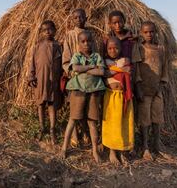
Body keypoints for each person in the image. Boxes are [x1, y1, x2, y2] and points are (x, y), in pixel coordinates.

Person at [61, 30, 106, 163]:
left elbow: (101, 71)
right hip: (78, 91)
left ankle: (94, 150)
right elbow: (75, 68)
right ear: (79, 43)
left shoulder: (97, 56)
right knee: (73, 119)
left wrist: (85, 67)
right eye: (83, 41)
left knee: (92, 121)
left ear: (92, 42)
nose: (86, 44)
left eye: (89, 41)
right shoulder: (77, 56)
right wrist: (92, 67)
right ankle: (64, 147)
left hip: (93, 92)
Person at [133, 21, 168, 160]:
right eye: (146, 32)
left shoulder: (161, 49)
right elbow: (136, 69)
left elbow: (164, 67)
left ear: (155, 32)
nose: (149, 34)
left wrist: (162, 84)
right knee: (145, 119)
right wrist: (138, 87)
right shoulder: (139, 48)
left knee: (157, 118)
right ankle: (145, 147)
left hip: (157, 90)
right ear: (142, 33)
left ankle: (157, 146)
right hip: (144, 90)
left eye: (151, 32)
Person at [28, 20, 63, 144]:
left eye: (50, 29)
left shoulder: (58, 46)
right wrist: (31, 76)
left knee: (52, 105)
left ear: (55, 30)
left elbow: (62, 64)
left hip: (53, 80)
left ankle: (53, 129)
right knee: (40, 104)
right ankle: (42, 128)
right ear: (41, 32)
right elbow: (32, 63)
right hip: (40, 80)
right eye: (44, 30)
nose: (47, 32)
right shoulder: (37, 46)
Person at [62, 8, 92, 148]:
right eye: (75, 17)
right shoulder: (69, 35)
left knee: (87, 106)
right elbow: (66, 58)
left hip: (89, 77)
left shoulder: (90, 35)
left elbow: (95, 54)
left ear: (86, 18)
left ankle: (85, 132)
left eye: (81, 17)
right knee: (74, 107)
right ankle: (74, 135)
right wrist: (70, 71)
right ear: (72, 20)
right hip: (74, 76)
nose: (78, 19)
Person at [102, 37, 134, 166]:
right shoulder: (104, 61)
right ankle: (112, 151)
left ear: (121, 49)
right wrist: (120, 70)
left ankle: (122, 150)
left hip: (123, 96)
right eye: (109, 48)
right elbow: (104, 73)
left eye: (116, 48)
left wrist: (114, 70)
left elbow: (129, 72)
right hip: (110, 97)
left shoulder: (125, 60)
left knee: (124, 124)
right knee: (111, 124)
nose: (113, 50)